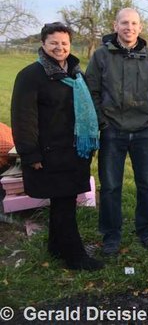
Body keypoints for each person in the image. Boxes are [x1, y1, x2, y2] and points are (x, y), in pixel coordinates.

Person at [11, 22, 103, 270]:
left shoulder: (76, 75)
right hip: (50, 153)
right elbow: (23, 118)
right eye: (54, 43)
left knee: (65, 202)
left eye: (64, 43)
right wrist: (31, 154)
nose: (59, 47)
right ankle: (75, 256)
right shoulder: (31, 76)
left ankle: (55, 247)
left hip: (74, 151)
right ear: (43, 44)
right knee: (63, 204)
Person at [85, 8, 148, 255]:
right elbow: (92, 91)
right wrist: (103, 122)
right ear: (115, 25)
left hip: (144, 131)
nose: (129, 27)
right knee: (110, 186)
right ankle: (111, 235)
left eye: (133, 23)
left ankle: (147, 230)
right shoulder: (101, 56)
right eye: (124, 23)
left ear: (140, 27)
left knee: (147, 185)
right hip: (113, 130)